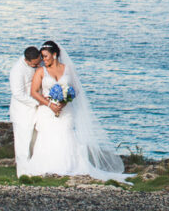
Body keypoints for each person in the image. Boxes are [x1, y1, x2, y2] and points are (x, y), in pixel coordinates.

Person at [26, 40, 129, 181]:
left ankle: (69, 165)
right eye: (42, 57)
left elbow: (76, 89)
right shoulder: (41, 71)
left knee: (65, 134)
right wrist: (50, 104)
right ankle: (47, 165)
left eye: (46, 56)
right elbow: (34, 92)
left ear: (54, 55)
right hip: (47, 110)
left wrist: (64, 101)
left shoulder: (67, 69)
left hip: (65, 110)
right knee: (48, 136)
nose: (44, 60)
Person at [8, 46, 43, 176]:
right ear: (27, 61)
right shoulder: (17, 71)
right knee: (23, 143)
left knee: (36, 140)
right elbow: (18, 94)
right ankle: (23, 173)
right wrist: (37, 102)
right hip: (22, 111)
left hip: (37, 110)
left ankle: (35, 169)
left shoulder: (38, 63)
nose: (38, 65)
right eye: (35, 64)